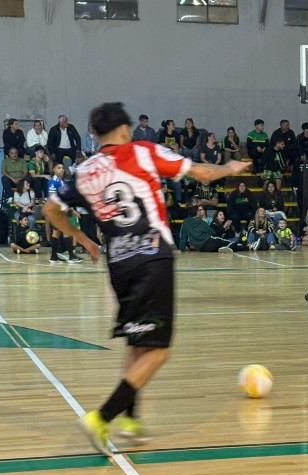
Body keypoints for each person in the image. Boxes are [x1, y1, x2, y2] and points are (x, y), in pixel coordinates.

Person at [43, 102, 250, 455]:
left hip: (119, 264)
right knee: (158, 351)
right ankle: (102, 417)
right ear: (125, 129)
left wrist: (83, 239)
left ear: (95, 134)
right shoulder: (142, 151)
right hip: (152, 258)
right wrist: (228, 167)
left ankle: (130, 419)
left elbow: (50, 209)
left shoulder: (85, 170)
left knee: (138, 342)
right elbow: (201, 173)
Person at [46, 163, 82, 264]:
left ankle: (53, 257)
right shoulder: (53, 182)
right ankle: (71, 256)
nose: (61, 170)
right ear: (53, 169)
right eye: (58, 168)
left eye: (62, 168)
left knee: (56, 233)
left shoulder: (60, 181)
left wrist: (71, 209)